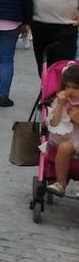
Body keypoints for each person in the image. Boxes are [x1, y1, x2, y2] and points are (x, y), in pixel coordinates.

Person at [46, 63, 79, 197]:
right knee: (64, 147)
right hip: (66, 139)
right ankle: (60, 183)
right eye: (67, 87)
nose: (69, 91)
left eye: (75, 88)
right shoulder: (62, 102)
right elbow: (53, 123)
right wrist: (60, 105)